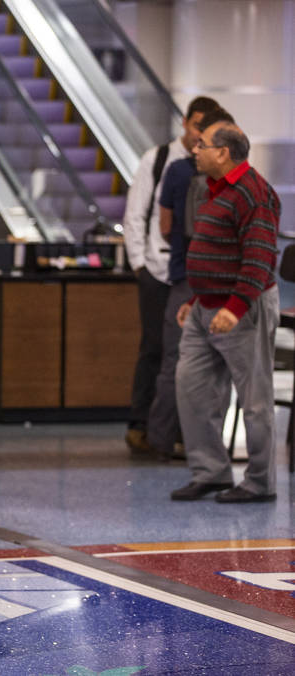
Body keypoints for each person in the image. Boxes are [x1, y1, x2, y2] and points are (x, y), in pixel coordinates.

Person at [171, 120, 281, 503]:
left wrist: (235, 307)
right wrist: (196, 298)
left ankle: (259, 482)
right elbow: (213, 252)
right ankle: (211, 472)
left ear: (223, 152)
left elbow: (259, 258)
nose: (194, 151)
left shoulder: (254, 193)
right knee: (191, 389)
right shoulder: (211, 190)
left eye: (201, 145)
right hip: (205, 308)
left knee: (254, 400)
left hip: (242, 309)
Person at [121, 96, 219, 456]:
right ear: (186, 124)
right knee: (154, 348)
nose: (198, 136)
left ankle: (172, 432)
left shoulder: (207, 167)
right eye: (196, 127)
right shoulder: (160, 159)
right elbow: (137, 214)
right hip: (156, 269)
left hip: (185, 273)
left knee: (181, 353)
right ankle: (140, 426)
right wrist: (139, 264)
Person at [147, 107, 235, 460]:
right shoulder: (236, 185)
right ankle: (205, 447)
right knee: (219, 370)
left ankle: (161, 440)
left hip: (186, 278)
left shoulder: (177, 171)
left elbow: (166, 227)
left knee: (177, 364)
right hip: (219, 285)